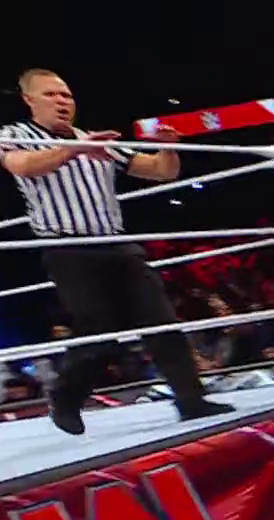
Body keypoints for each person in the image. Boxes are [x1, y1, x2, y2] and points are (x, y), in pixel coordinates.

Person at [0, 69, 233, 436]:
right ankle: (66, 395)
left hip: (117, 242)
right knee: (99, 330)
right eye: (51, 95)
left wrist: (168, 147)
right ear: (29, 99)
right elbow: (24, 167)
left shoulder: (92, 138)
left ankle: (191, 399)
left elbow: (160, 172)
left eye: (66, 95)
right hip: (68, 248)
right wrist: (76, 150)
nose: (62, 102)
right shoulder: (16, 135)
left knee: (161, 320)